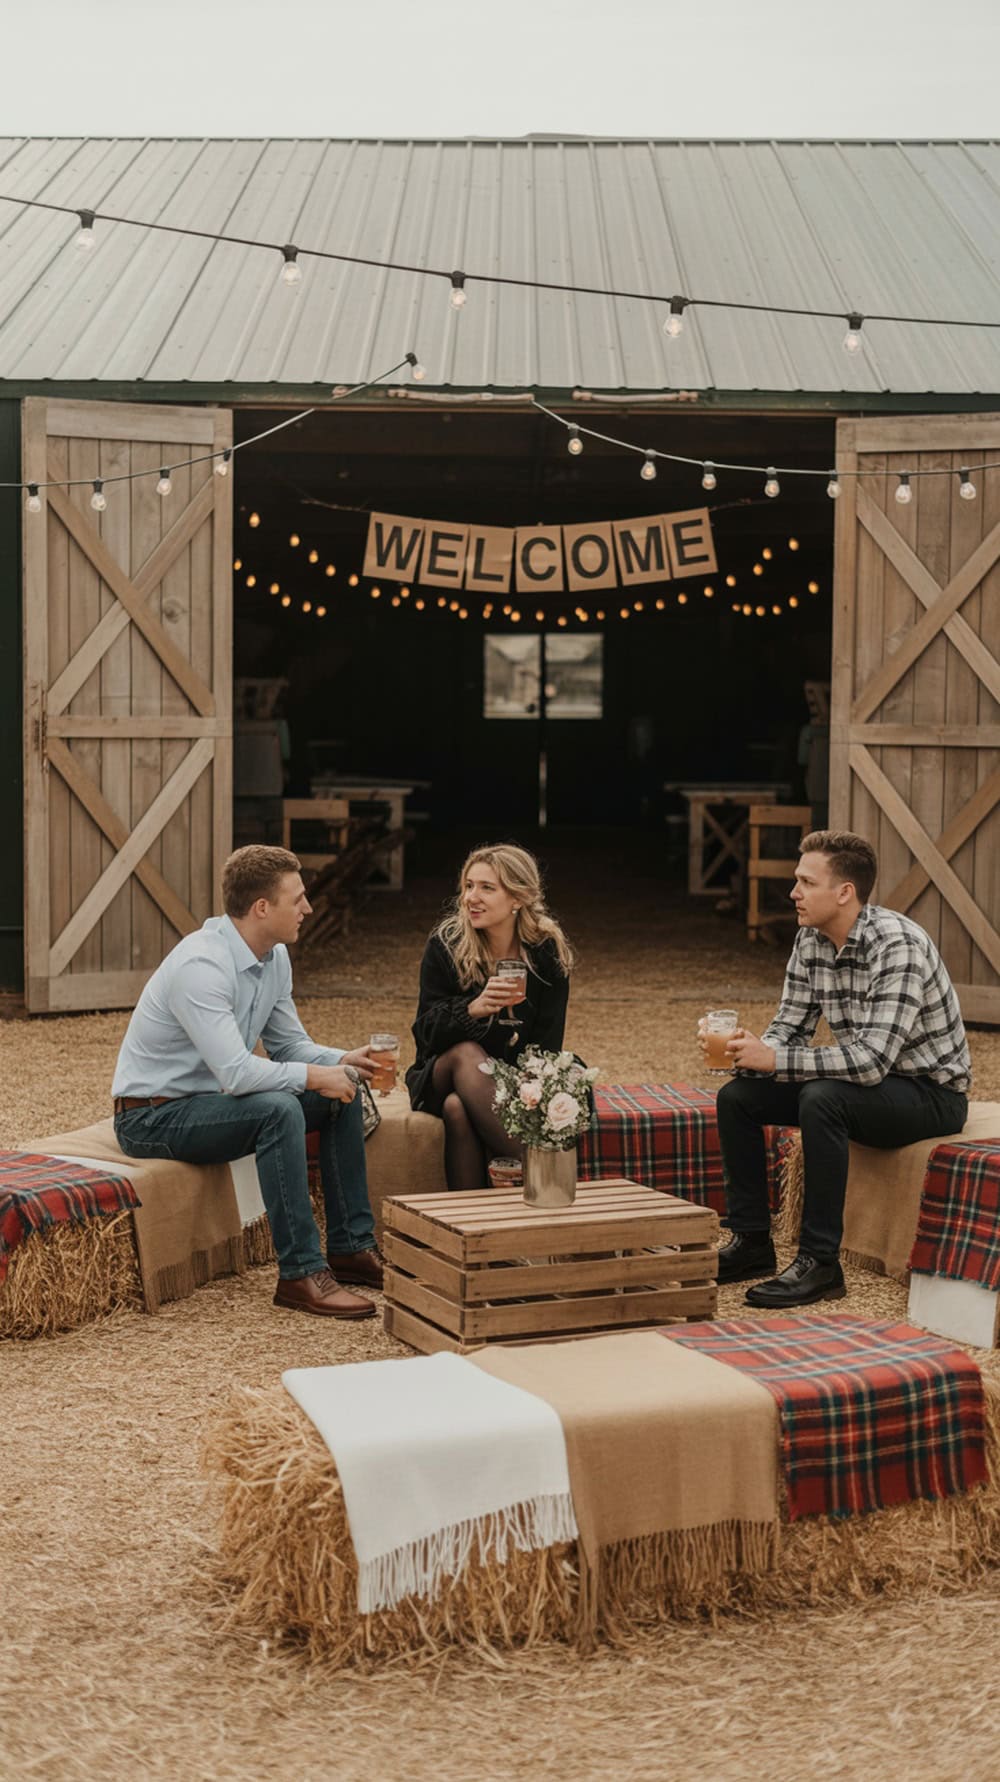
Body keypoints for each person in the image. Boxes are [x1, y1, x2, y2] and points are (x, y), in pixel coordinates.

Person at [112, 845, 382, 1320]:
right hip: (152, 1116)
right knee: (279, 1108)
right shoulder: (202, 966)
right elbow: (236, 1074)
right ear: (262, 908)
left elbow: (289, 1046)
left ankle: (351, 1249)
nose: (308, 908)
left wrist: (342, 1062)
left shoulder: (274, 957)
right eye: (297, 899)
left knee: (342, 1093)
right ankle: (300, 1274)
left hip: (207, 1106)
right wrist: (315, 1076)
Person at [708, 829, 971, 1308]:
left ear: (844, 892)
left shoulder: (898, 945)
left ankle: (820, 1263)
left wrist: (777, 1060)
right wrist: (749, 1054)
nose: (793, 893)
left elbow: (872, 1061)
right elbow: (789, 1029)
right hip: (870, 1085)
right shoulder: (810, 940)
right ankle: (751, 1243)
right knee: (738, 1100)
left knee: (822, 1097)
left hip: (929, 1094)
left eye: (806, 882)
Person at [407, 844, 575, 1191]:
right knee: (468, 1056)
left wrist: (526, 1092)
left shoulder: (546, 953)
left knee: (459, 1109)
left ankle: (471, 1227)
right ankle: (543, 1173)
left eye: (486, 887)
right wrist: (472, 1009)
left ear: (518, 898)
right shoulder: (447, 943)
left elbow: (548, 1044)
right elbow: (424, 1033)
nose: (471, 897)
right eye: (468, 886)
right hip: (443, 1072)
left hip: (515, 1080)